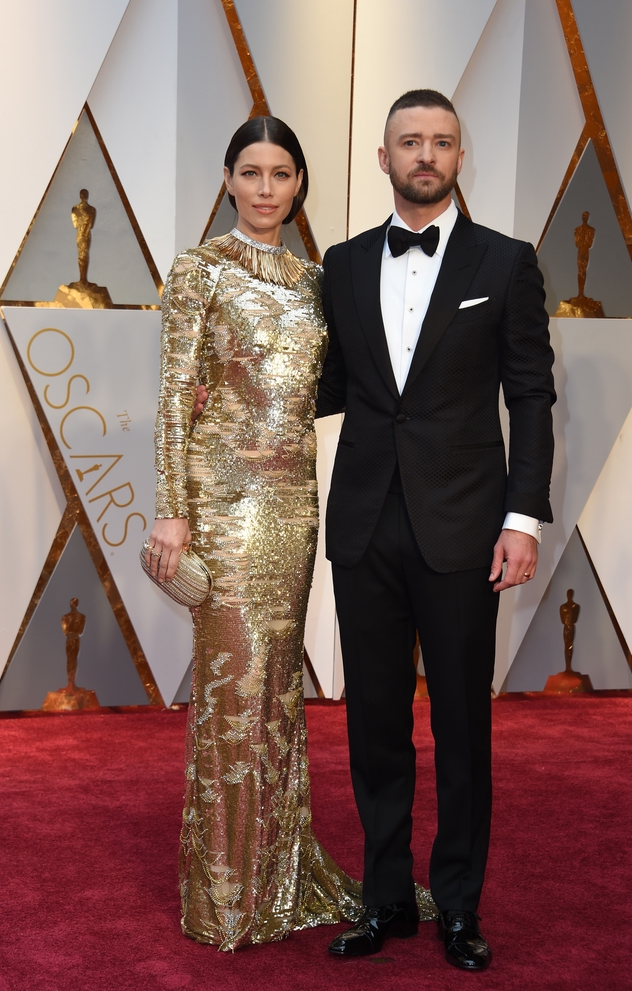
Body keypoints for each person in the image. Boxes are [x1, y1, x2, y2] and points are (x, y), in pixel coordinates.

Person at [315, 89, 555, 970]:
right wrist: (232, 399)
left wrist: (521, 518)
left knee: (460, 725)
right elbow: (329, 385)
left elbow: (530, 395)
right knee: (374, 723)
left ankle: (458, 904)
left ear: (461, 157)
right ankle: (387, 902)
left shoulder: (509, 260)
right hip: (365, 525)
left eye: (442, 142)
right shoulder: (339, 265)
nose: (426, 154)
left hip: (466, 527)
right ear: (383, 158)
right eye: (410, 141)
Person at [146, 117, 369, 951]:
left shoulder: (319, 281)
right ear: (229, 179)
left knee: (277, 688)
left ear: (300, 183)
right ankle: (224, 899)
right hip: (221, 501)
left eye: (281, 172)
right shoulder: (198, 270)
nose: (267, 187)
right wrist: (173, 508)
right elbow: (174, 396)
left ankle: (277, 873)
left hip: (293, 502)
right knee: (232, 692)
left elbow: (325, 389)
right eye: (251, 171)